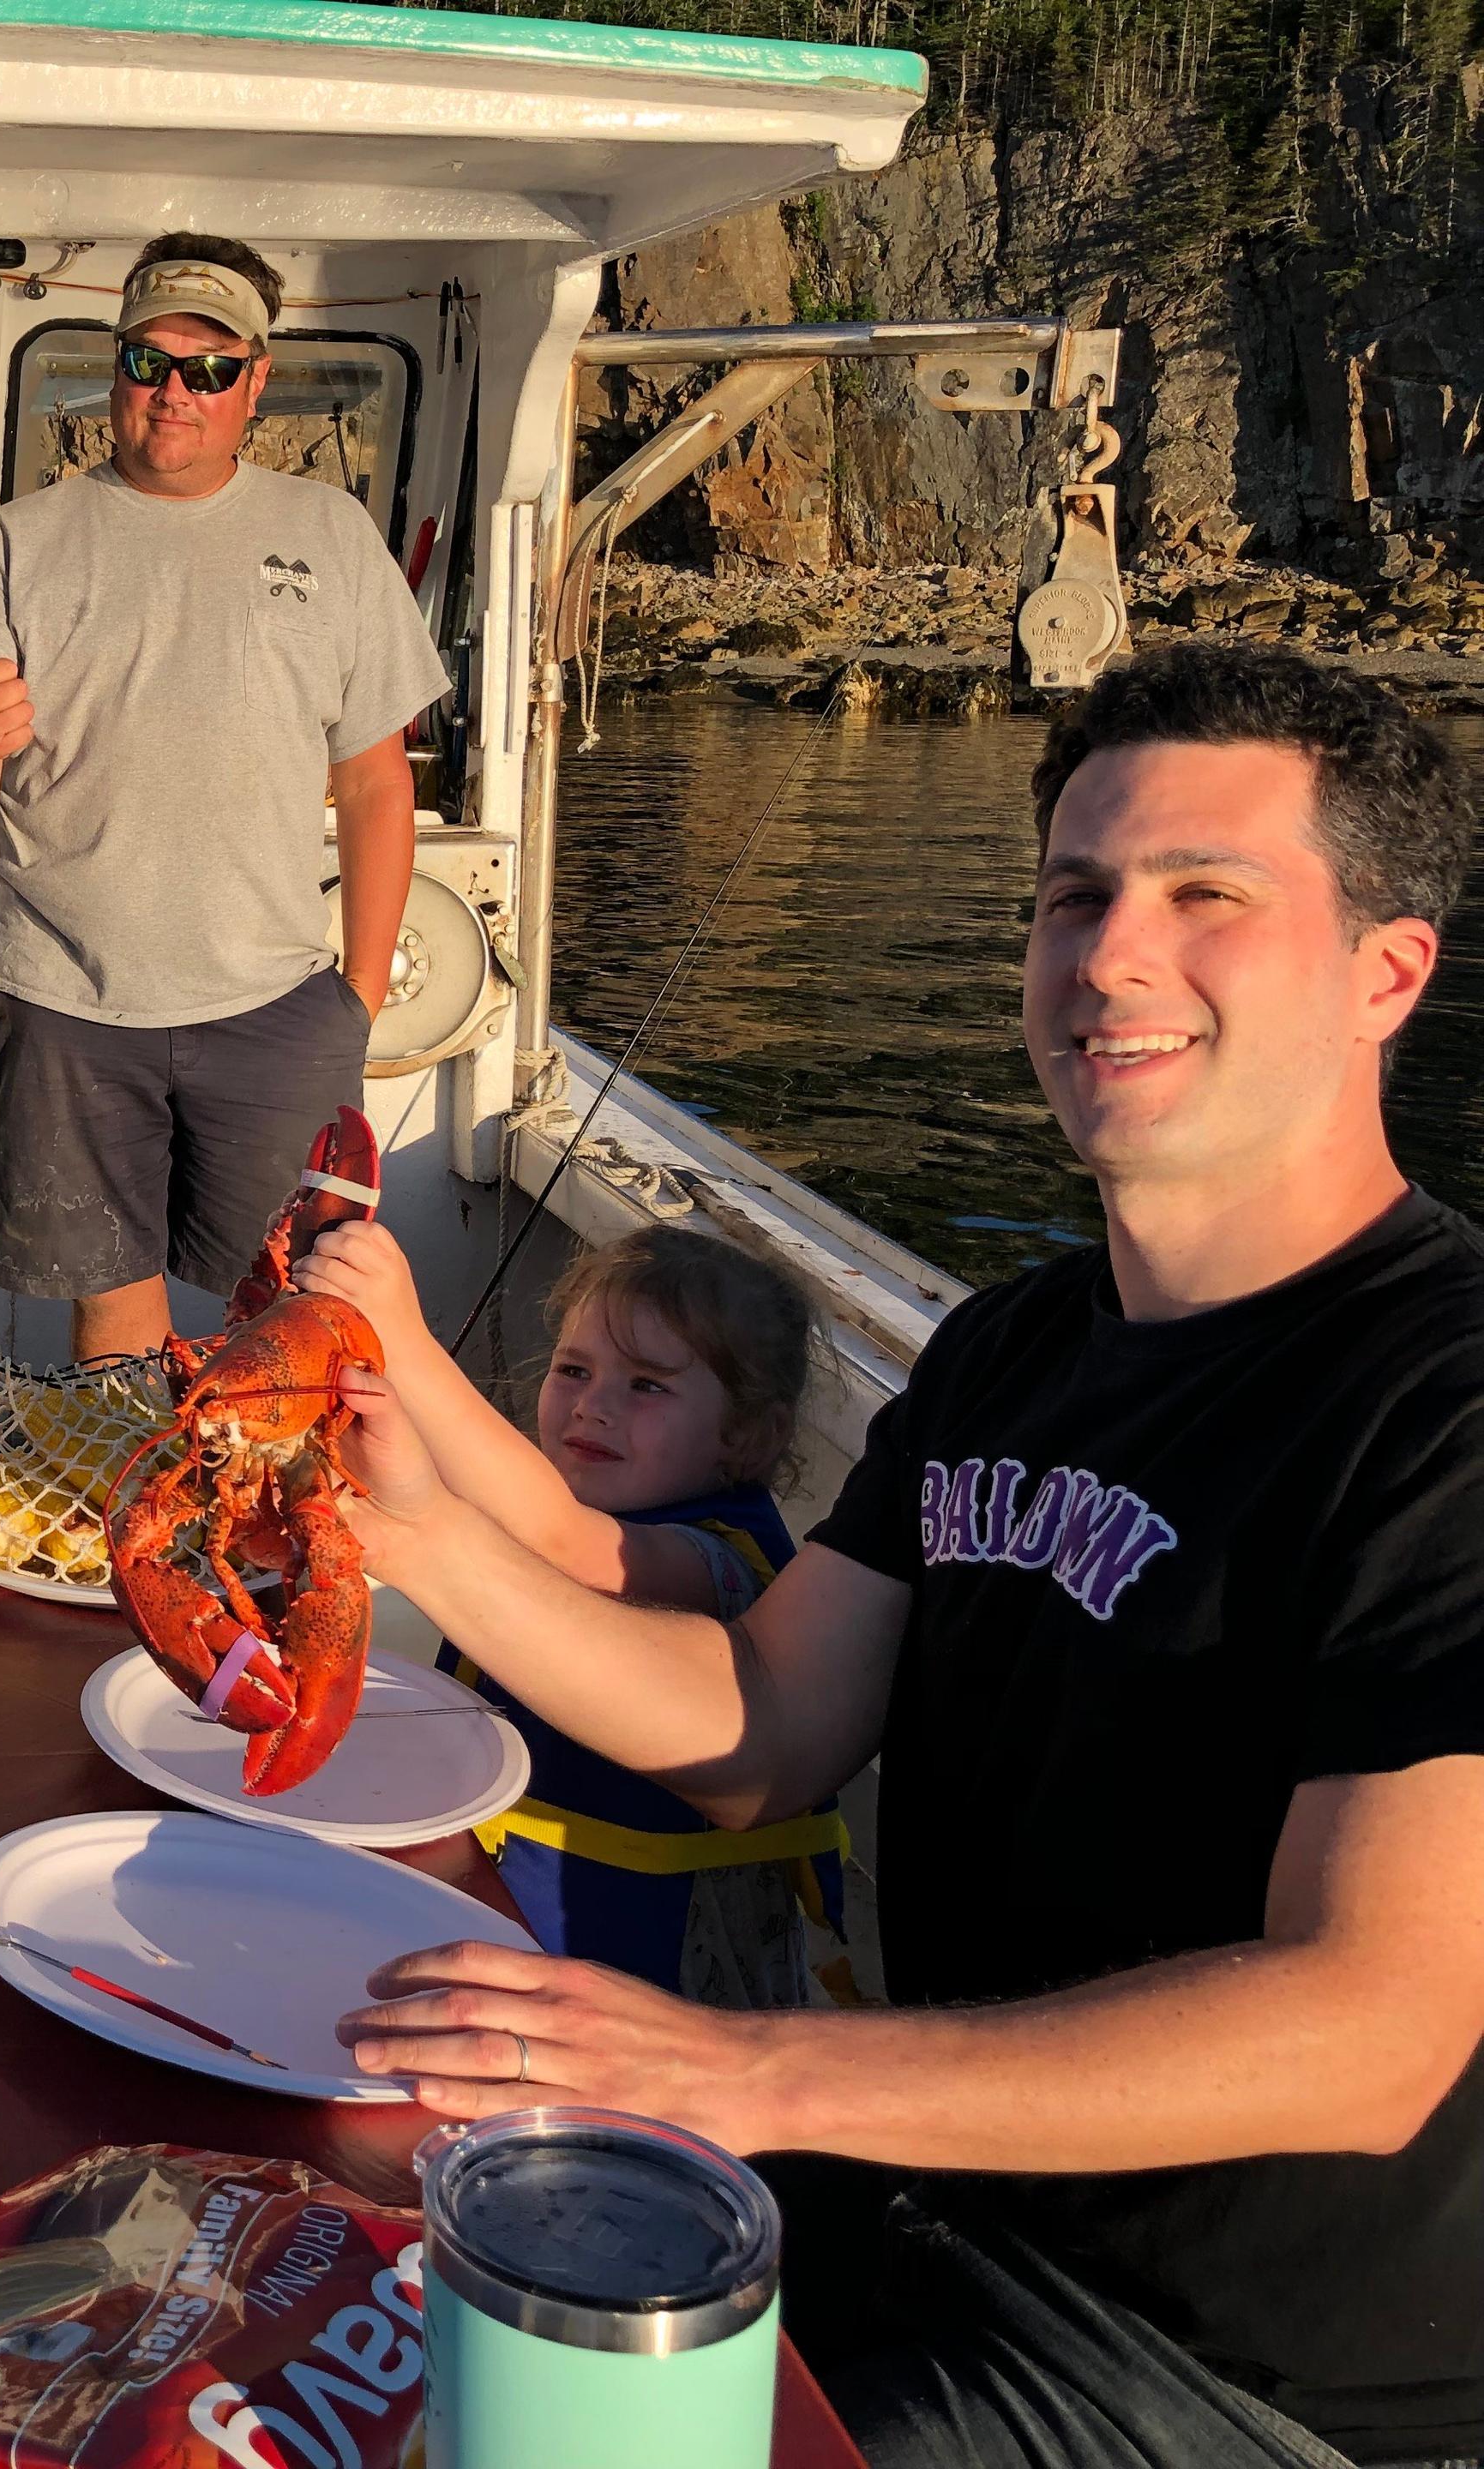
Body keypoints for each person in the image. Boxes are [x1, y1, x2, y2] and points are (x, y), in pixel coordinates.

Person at [325, 643, 1484, 2469]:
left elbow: (1374, 2026)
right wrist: (401, 1539)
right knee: (321, 2307)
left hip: (1217, 2384)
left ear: (1386, 972)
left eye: (1209, 897)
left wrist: (736, 2072)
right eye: (1076, 897)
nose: (1110, 956)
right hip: (911, 2199)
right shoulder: (1009, 1349)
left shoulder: (1444, 1404)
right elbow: (767, 1726)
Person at [0, 233, 450, 1363]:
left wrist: (355, 994)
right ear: (113, 367)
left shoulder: (331, 538)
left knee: (303, 1313)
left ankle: (274, 1538)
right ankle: (134, 1520)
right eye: (150, 360)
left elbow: (373, 781)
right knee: (114, 1326)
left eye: (209, 369)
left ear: (256, 381)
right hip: (66, 1004)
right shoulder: (15, 545)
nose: (175, 392)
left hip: (276, 1007)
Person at [298, 1221, 848, 2003]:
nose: (593, 1407)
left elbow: (563, 1542)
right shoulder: (536, 1500)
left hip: (652, 1960)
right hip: (503, 1884)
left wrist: (405, 1342)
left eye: (647, 1385)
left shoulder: (718, 1560)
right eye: (574, 1369)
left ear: (747, 1436)